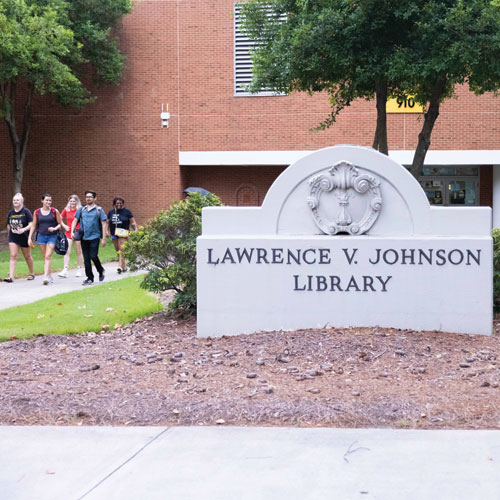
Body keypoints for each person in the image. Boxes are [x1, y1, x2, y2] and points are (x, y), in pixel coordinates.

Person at [71, 190, 108, 286]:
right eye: (87, 197)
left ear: (95, 198)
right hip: (84, 237)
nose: (88, 198)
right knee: (86, 258)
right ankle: (90, 278)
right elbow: (75, 220)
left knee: (93, 256)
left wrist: (103, 238)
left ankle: (101, 270)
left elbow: (104, 224)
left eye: (90, 197)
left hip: (94, 237)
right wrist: (72, 231)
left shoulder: (99, 210)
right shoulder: (81, 209)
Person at [28, 194, 64, 285]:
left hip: (52, 236)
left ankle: (45, 276)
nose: (48, 202)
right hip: (41, 236)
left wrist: (55, 228)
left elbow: (60, 224)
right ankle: (49, 274)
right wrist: (29, 238)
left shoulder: (54, 211)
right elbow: (33, 225)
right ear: (42, 201)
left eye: (50, 200)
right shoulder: (36, 212)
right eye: (47, 200)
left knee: (48, 256)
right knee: (45, 256)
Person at [4, 193, 35, 283]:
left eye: (17, 200)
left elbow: (31, 224)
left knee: (27, 256)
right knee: (13, 255)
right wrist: (9, 235)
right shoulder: (11, 212)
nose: (15, 201)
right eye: (14, 200)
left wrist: (24, 229)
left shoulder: (26, 212)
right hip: (13, 237)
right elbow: (8, 224)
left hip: (24, 237)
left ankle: (31, 273)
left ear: (22, 201)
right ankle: (11, 277)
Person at [107, 197, 138, 273]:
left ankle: (119, 266)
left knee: (121, 249)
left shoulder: (127, 212)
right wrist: (106, 231)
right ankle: (124, 266)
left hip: (123, 232)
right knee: (118, 250)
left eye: (120, 203)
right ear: (114, 204)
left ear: (123, 204)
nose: (119, 205)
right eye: (117, 203)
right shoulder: (111, 212)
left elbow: (132, 222)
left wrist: (136, 229)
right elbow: (107, 223)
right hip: (114, 233)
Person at [58, 194, 83, 278]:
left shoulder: (80, 210)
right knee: (66, 251)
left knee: (78, 251)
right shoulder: (66, 210)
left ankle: (79, 269)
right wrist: (64, 226)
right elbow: (59, 218)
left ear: (77, 202)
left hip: (78, 232)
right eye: (71, 201)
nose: (72, 203)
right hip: (68, 232)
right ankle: (65, 270)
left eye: (74, 201)